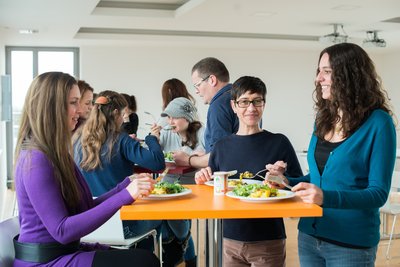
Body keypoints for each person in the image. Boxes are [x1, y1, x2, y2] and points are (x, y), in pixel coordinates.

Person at [267, 43, 397, 267]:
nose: (319, 78)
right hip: (309, 237)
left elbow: (378, 194)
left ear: (350, 75)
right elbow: (318, 179)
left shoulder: (379, 123)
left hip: (351, 244)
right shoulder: (323, 118)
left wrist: (326, 198)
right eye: (319, 71)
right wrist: (287, 182)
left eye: (326, 72)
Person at [13, 71, 159, 267]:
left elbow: (85, 208)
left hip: (63, 251)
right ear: (52, 107)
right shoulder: (36, 159)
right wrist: (125, 195)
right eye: (74, 103)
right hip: (48, 260)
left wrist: (124, 188)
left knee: (145, 259)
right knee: (144, 261)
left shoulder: (54, 153)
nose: (81, 111)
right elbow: (62, 231)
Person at [73, 90, 190, 266]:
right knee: (165, 215)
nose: (124, 119)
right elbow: (157, 163)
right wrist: (152, 139)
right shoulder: (120, 140)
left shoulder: (77, 140)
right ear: (115, 114)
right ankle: (174, 253)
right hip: (123, 227)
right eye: (123, 114)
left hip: (88, 227)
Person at [195, 76, 303, 267]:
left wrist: (284, 180)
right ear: (234, 106)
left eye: (257, 101)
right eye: (244, 102)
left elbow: (300, 187)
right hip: (229, 239)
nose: (251, 108)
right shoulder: (221, 147)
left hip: (269, 240)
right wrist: (202, 178)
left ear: (264, 104)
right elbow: (214, 191)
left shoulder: (279, 142)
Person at [173, 57, 239, 168]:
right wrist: (205, 155)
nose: (196, 91)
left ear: (212, 80)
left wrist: (188, 160)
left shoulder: (218, 105)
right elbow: (233, 148)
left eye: (197, 85)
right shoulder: (240, 98)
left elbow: (220, 156)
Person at [151, 97, 205, 184]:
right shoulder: (166, 131)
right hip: (168, 185)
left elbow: (213, 160)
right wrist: (154, 139)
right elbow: (151, 156)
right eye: (169, 117)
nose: (170, 122)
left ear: (188, 118)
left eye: (175, 117)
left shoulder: (203, 133)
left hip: (194, 185)